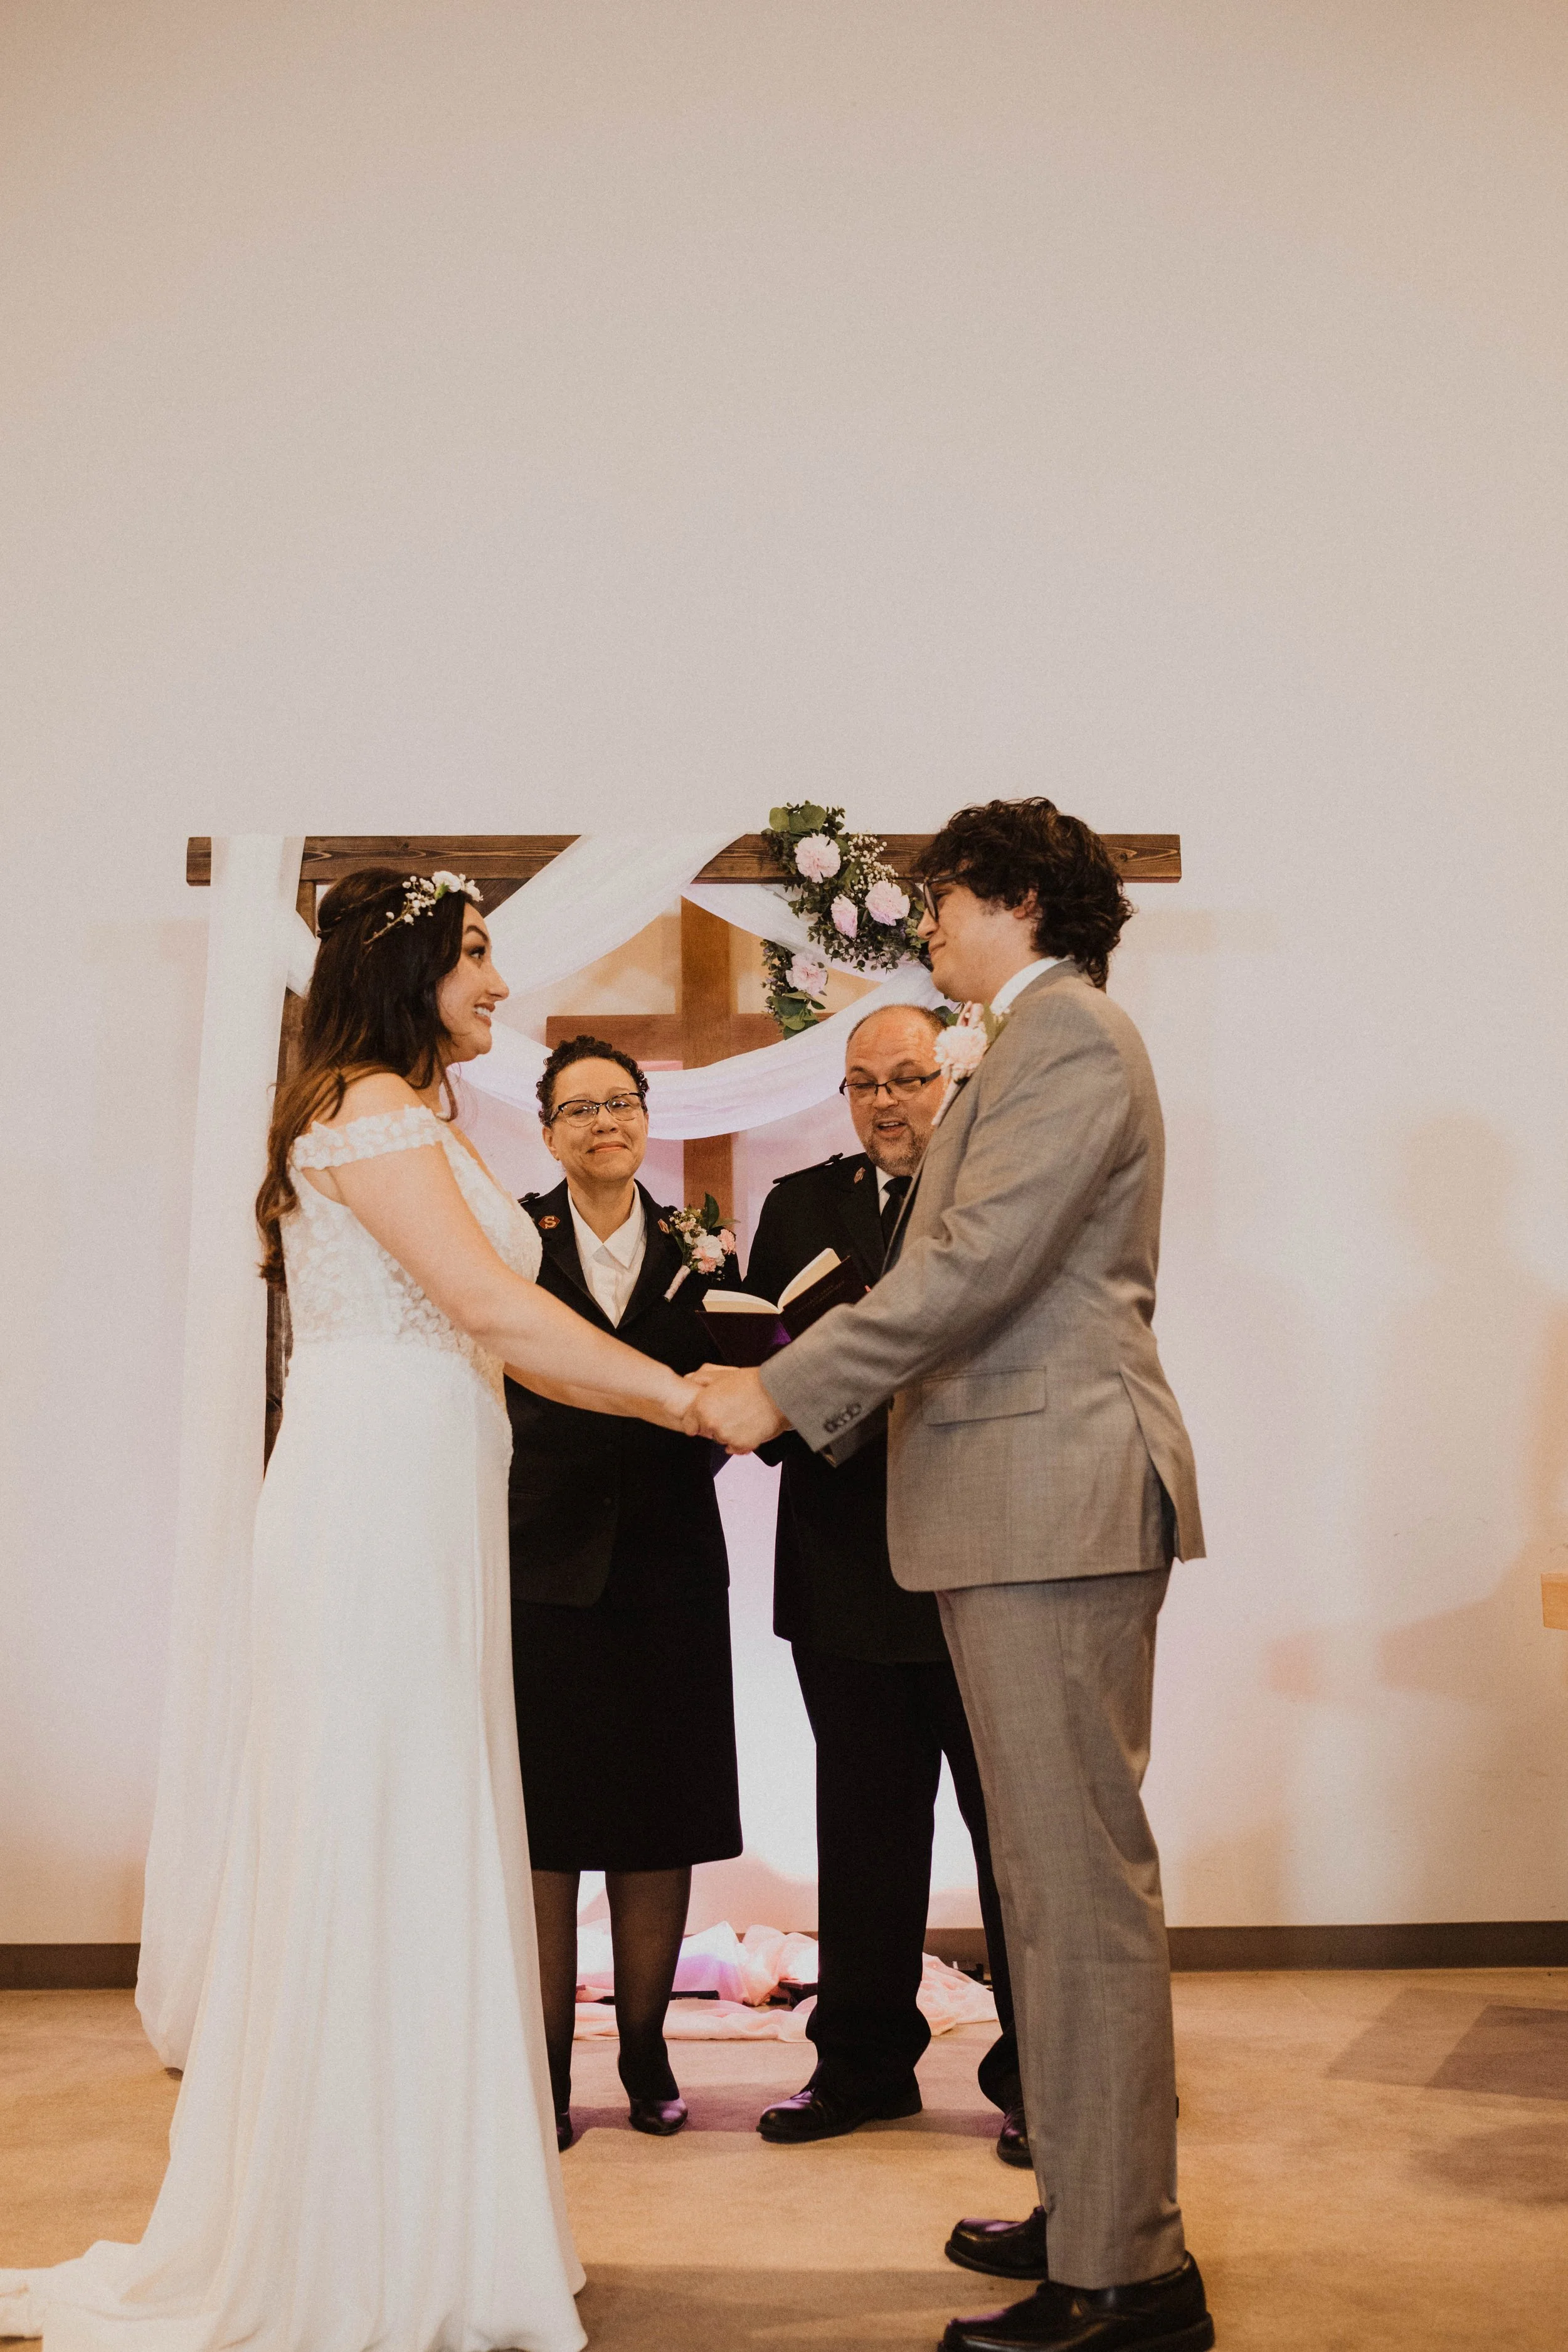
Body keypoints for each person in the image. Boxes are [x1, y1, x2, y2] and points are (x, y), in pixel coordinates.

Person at [1, 870, 704, 2352]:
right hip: (373, 1506)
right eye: (476, 955)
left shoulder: (414, 1112)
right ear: (408, 972)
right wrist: (687, 1397)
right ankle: (356, 2237)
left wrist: (658, 1388)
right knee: (376, 1823)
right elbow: (505, 1318)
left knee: (428, 1823)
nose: (500, 985)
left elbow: (509, 1342)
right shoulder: (371, 1115)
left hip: (430, 1491)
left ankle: (440, 2215)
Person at [687, 800, 1214, 2352]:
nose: (924, 921)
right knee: (1044, 1900)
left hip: (1052, 1497)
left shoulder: (1065, 1037)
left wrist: (780, 1390)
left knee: (1074, 1898)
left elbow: (970, 1270)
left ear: (1012, 898)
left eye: (940, 899)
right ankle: (1091, 2212)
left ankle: (1127, 2278)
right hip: (1013, 1502)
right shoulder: (1031, 1036)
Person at [744, 1002, 1025, 2163]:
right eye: (863, 1084)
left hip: (978, 1562)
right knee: (861, 1835)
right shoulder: (796, 1204)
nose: (886, 1103)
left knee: (1019, 1838)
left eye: (908, 1077)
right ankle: (860, 2066)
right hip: (846, 1566)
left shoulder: (993, 1195)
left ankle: (1047, 2077)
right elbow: (763, 1365)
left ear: (950, 1083)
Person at [506, 1035, 743, 2150]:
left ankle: (646, 2050)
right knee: (546, 1829)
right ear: (548, 1130)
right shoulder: (512, 1237)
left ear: (648, 1119)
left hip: (671, 1569)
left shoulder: (704, 1242)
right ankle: (542, 2073)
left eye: (624, 1102)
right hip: (539, 1567)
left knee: (659, 1821)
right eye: (580, 1106)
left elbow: (740, 1381)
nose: (606, 1121)